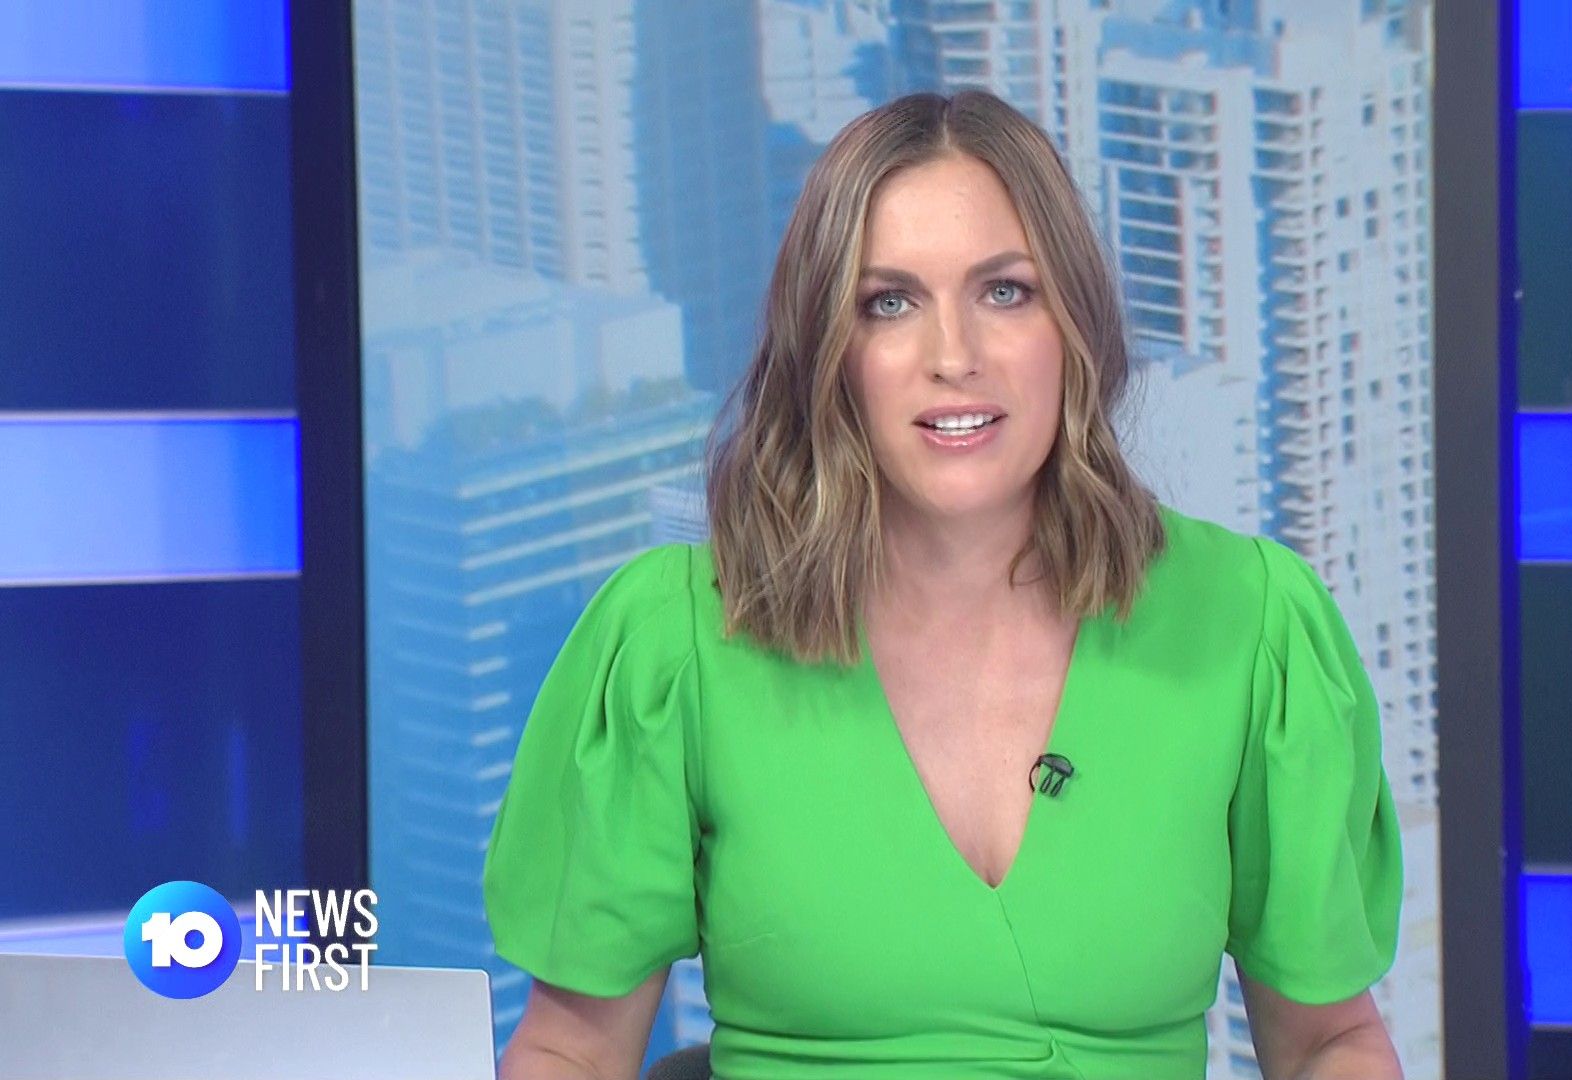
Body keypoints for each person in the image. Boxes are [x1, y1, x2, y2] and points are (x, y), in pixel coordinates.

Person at [483, 90, 1404, 1080]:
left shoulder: (1249, 623)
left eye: (1005, 291)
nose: (953, 358)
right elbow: (572, 1049)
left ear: (1076, 323)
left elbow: (1329, 1042)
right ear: (829, 350)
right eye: (889, 303)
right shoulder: (677, 640)